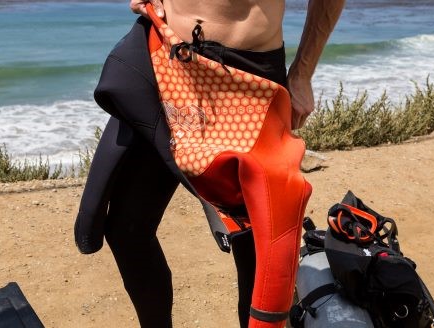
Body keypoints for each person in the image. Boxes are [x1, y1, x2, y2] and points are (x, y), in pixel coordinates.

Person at [75, 0, 345, 327]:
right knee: (126, 227)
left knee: (254, 248)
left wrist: (303, 72)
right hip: (167, 59)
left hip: (248, 78)